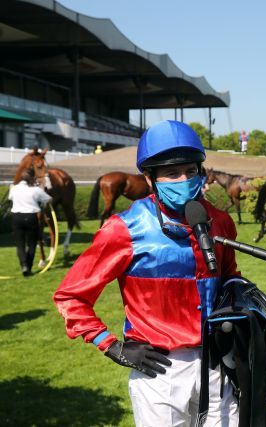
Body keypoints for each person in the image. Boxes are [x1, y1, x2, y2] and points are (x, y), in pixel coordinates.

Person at [53, 120, 240, 426]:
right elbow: (71, 296)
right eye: (171, 173)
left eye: (190, 171)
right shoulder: (122, 229)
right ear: (150, 178)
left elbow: (230, 275)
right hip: (159, 372)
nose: (183, 179)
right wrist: (111, 345)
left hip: (219, 362)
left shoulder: (218, 220)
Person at [8, 168, 51, 276]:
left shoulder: (14, 188)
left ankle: (24, 266)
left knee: (20, 245)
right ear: (33, 177)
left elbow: (10, 198)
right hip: (31, 218)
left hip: (17, 218)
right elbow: (49, 199)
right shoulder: (36, 190)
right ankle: (29, 267)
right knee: (32, 244)